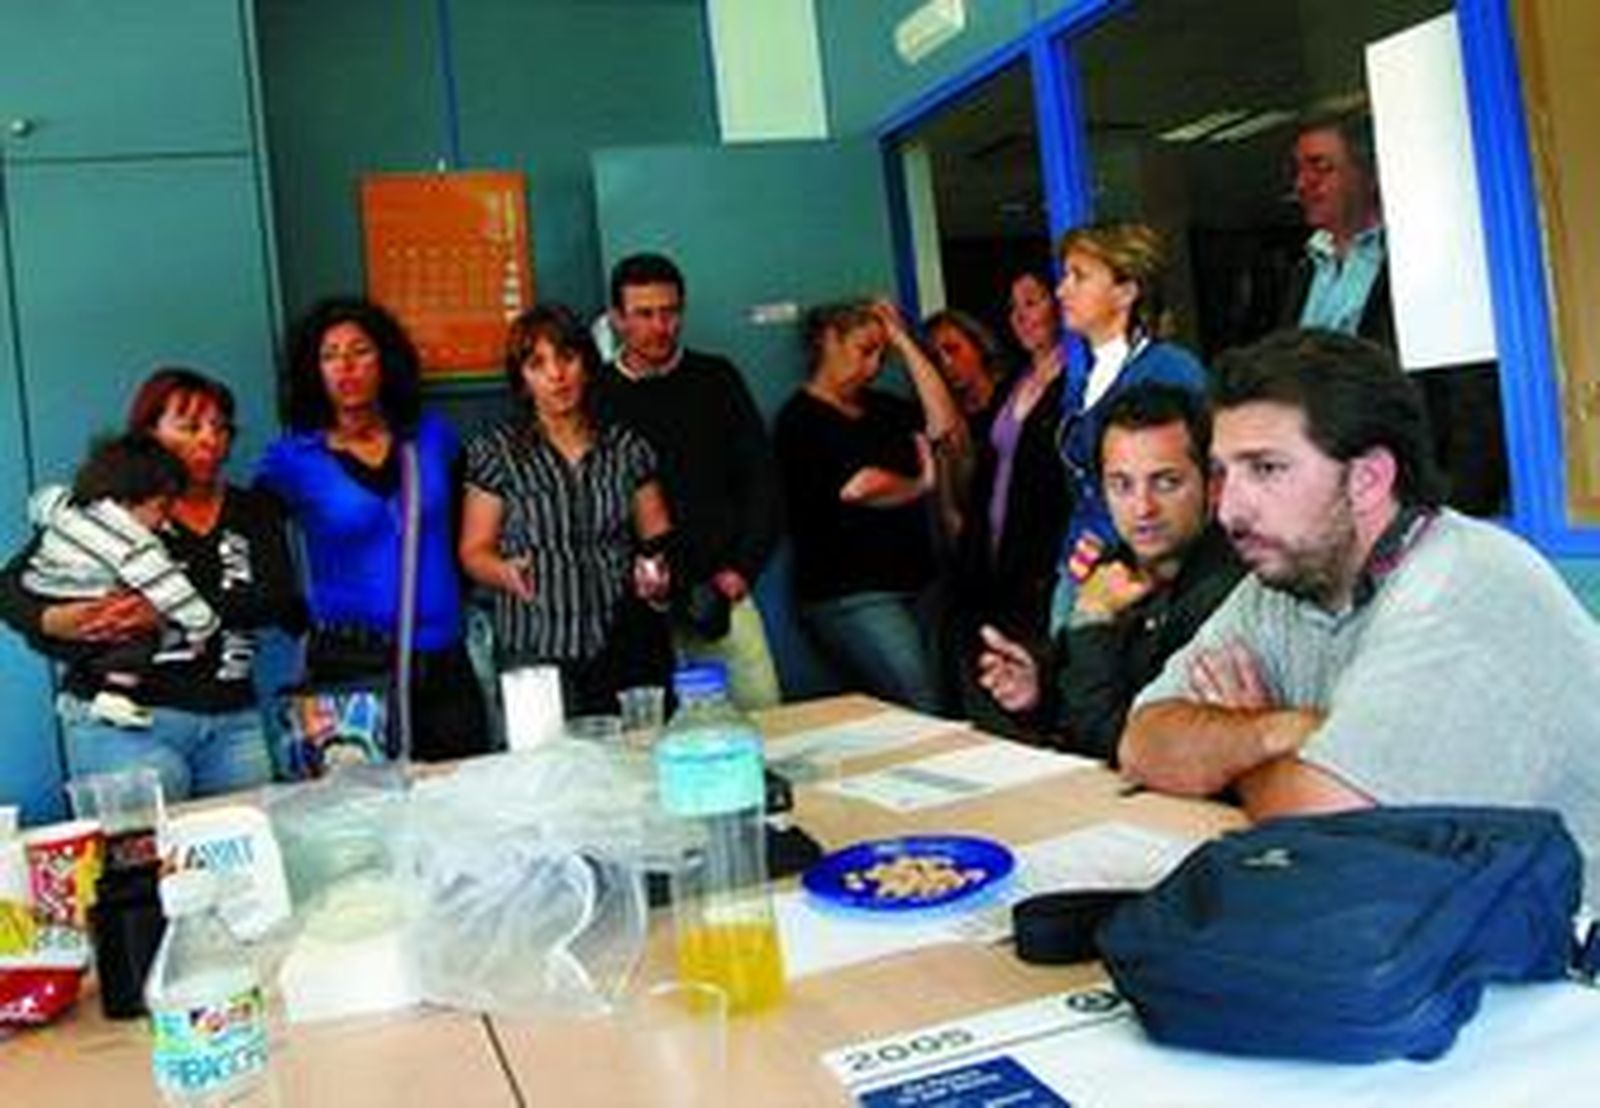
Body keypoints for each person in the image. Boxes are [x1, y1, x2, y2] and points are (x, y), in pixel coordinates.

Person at [1119, 329, 1600, 894]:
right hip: (1434, 908)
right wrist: (1279, 729)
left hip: (1568, 935)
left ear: (1368, 479)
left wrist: (1240, 751)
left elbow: (1326, 824)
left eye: (1266, 469)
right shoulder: (1283, 577)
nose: (1229, 511)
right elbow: (1143, 742)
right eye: (1224, 473)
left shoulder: (1453, 587)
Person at [0, 369, 299, 800]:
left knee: (246, 836)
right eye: (190, 426)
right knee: (142, 842)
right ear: (149, 434)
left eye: (220, 428)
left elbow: (276, 599)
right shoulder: (109, 510)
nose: (209, 440)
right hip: (121, 725)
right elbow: (12, 590)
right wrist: (57, 619)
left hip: (231, 721)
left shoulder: (253, 510)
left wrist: (165, 611)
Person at [256, 297, 487, 762]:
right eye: (330, 355)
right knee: (364, 801)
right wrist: (293, 612)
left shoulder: (432, 437)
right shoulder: (293, 460)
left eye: (360, 351)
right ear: (313, 372)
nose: (346, 366)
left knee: (465, 790)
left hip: (445, 657)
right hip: (351, 668)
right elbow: (254, 538)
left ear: (386, 360)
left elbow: (468, 523)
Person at [977, 385, 1242, 759]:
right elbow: (1086, 698)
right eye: (1122, 485)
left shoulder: (1230, 593)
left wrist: (1091, 620)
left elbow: (1119, 743)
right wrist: (1039, 692)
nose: (1142, 508)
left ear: (1213, 487)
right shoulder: (1113, 563)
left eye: (1166, 482)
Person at [1282, 111, 1506, 514]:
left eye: (1320, 167)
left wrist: (1454, 508)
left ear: (1369, 174)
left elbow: (1468, 398)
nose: (1302, 183)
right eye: (1298, 170)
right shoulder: (1303, 272)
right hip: (1324, 500)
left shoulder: (1422, 260)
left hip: (1408, 496)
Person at [460, 304, 674, 714]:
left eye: (567, 358)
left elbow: (657, 537)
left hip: (620, 643)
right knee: (546, 754)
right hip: (535, 647)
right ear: (523, 380)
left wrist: (658, 577)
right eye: (537, 364)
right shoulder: (495, 453)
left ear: (587, 365)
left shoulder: (626, 448)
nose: (556, 374)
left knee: (631, 749)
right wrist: (504, 572)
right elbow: (474, 551)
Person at [591, 253, 783, 710]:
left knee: (763, 715)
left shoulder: (716, 378)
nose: (660, 326)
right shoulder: (596, 393)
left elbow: (763, 481)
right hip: (632, 600)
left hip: (720, 588)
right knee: (649, 727)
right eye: (644, 314)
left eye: (670, 312)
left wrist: (742, 569)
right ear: (617, 319)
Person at [775, 300, 962, 714]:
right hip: (851, 594)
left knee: (943, 704)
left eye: (882, 354)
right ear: (829, 341)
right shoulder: (799, 419)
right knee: (923, 703)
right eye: (865, 350)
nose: (874, 366)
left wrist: (904, 342)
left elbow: (943, 424)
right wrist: (921, 484)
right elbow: (860, 487)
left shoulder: (885, 407)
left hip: (918, 582)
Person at [1050, 223, 1210, 640]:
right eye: (1065, 277)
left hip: (1142, 575)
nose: (1062, 291)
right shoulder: (1084, 380)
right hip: (1082, 561)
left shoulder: (1171, 370)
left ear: (1125, 291)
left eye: (1079, 277)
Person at [23, 434, 220, 725]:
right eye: (162, 507)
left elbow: (43, 500)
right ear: (129, 499)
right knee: (138, 638)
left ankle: (84, 698)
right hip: (87, 600)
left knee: (110, 639)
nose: (165, 520)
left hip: (41, 587)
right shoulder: (134, 544)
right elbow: (172, 590)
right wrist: (202, 627)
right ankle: (108, 696)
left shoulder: (69, 508)